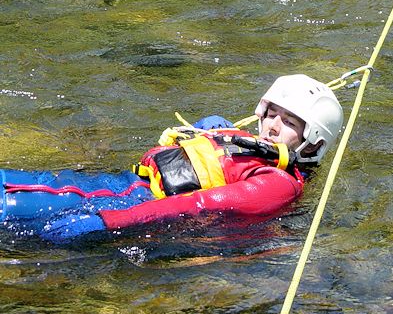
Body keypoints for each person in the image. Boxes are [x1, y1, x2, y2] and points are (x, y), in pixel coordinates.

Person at [0, 74, 343, 242]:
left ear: (311, 144)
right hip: (120, 185)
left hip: (122, 204)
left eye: (289, 122)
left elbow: (195, 206)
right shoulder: (250, 145)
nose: (271, 126)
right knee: (36, 184)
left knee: (15, 203)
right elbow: (167, 155)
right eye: (272, 113)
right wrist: (202, 133)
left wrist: (109, 222)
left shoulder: (278, 184)